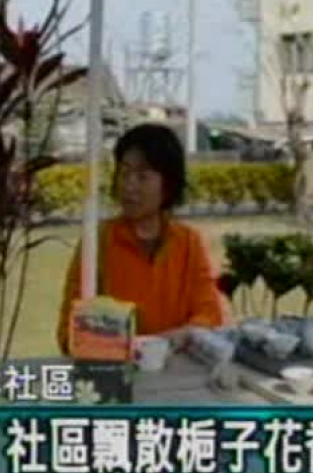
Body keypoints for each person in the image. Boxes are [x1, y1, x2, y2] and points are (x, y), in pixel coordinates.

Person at [56, 123, 225, 355]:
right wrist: (124, 346)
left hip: (177, 368)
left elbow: (211, 315)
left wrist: (176, 337)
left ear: (168, 184)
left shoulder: (189, 242)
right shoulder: (98, 242)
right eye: (124, 173)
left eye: (142, 176)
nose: (129, 186)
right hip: (116, 370)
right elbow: (68, 333)